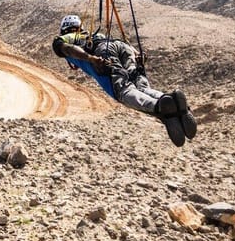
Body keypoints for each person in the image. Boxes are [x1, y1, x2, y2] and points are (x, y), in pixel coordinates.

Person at [51, 15, 197, 147]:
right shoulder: (95, 34)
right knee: (141, 86)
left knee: (124, 91)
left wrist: (92, 59)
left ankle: (158, 105)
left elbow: (68, 49)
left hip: (103, 51)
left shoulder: (66, 38)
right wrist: (137, 54)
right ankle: (170, 101)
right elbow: (121, 44)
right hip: (122, 47)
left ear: (64, 29)